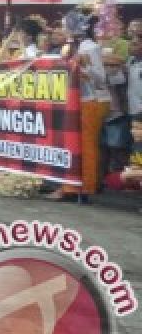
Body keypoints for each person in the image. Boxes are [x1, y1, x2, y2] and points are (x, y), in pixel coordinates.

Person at [47, 15, 110, 202]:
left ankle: (84, 188)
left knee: (86, 147)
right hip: (80, 100)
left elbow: (100, 79)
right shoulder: (76, 47)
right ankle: (72, 186)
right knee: (75, 145)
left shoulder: (89, 47)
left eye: (66, 26)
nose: (63, 30)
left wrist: (82, 69)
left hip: (92, 101)